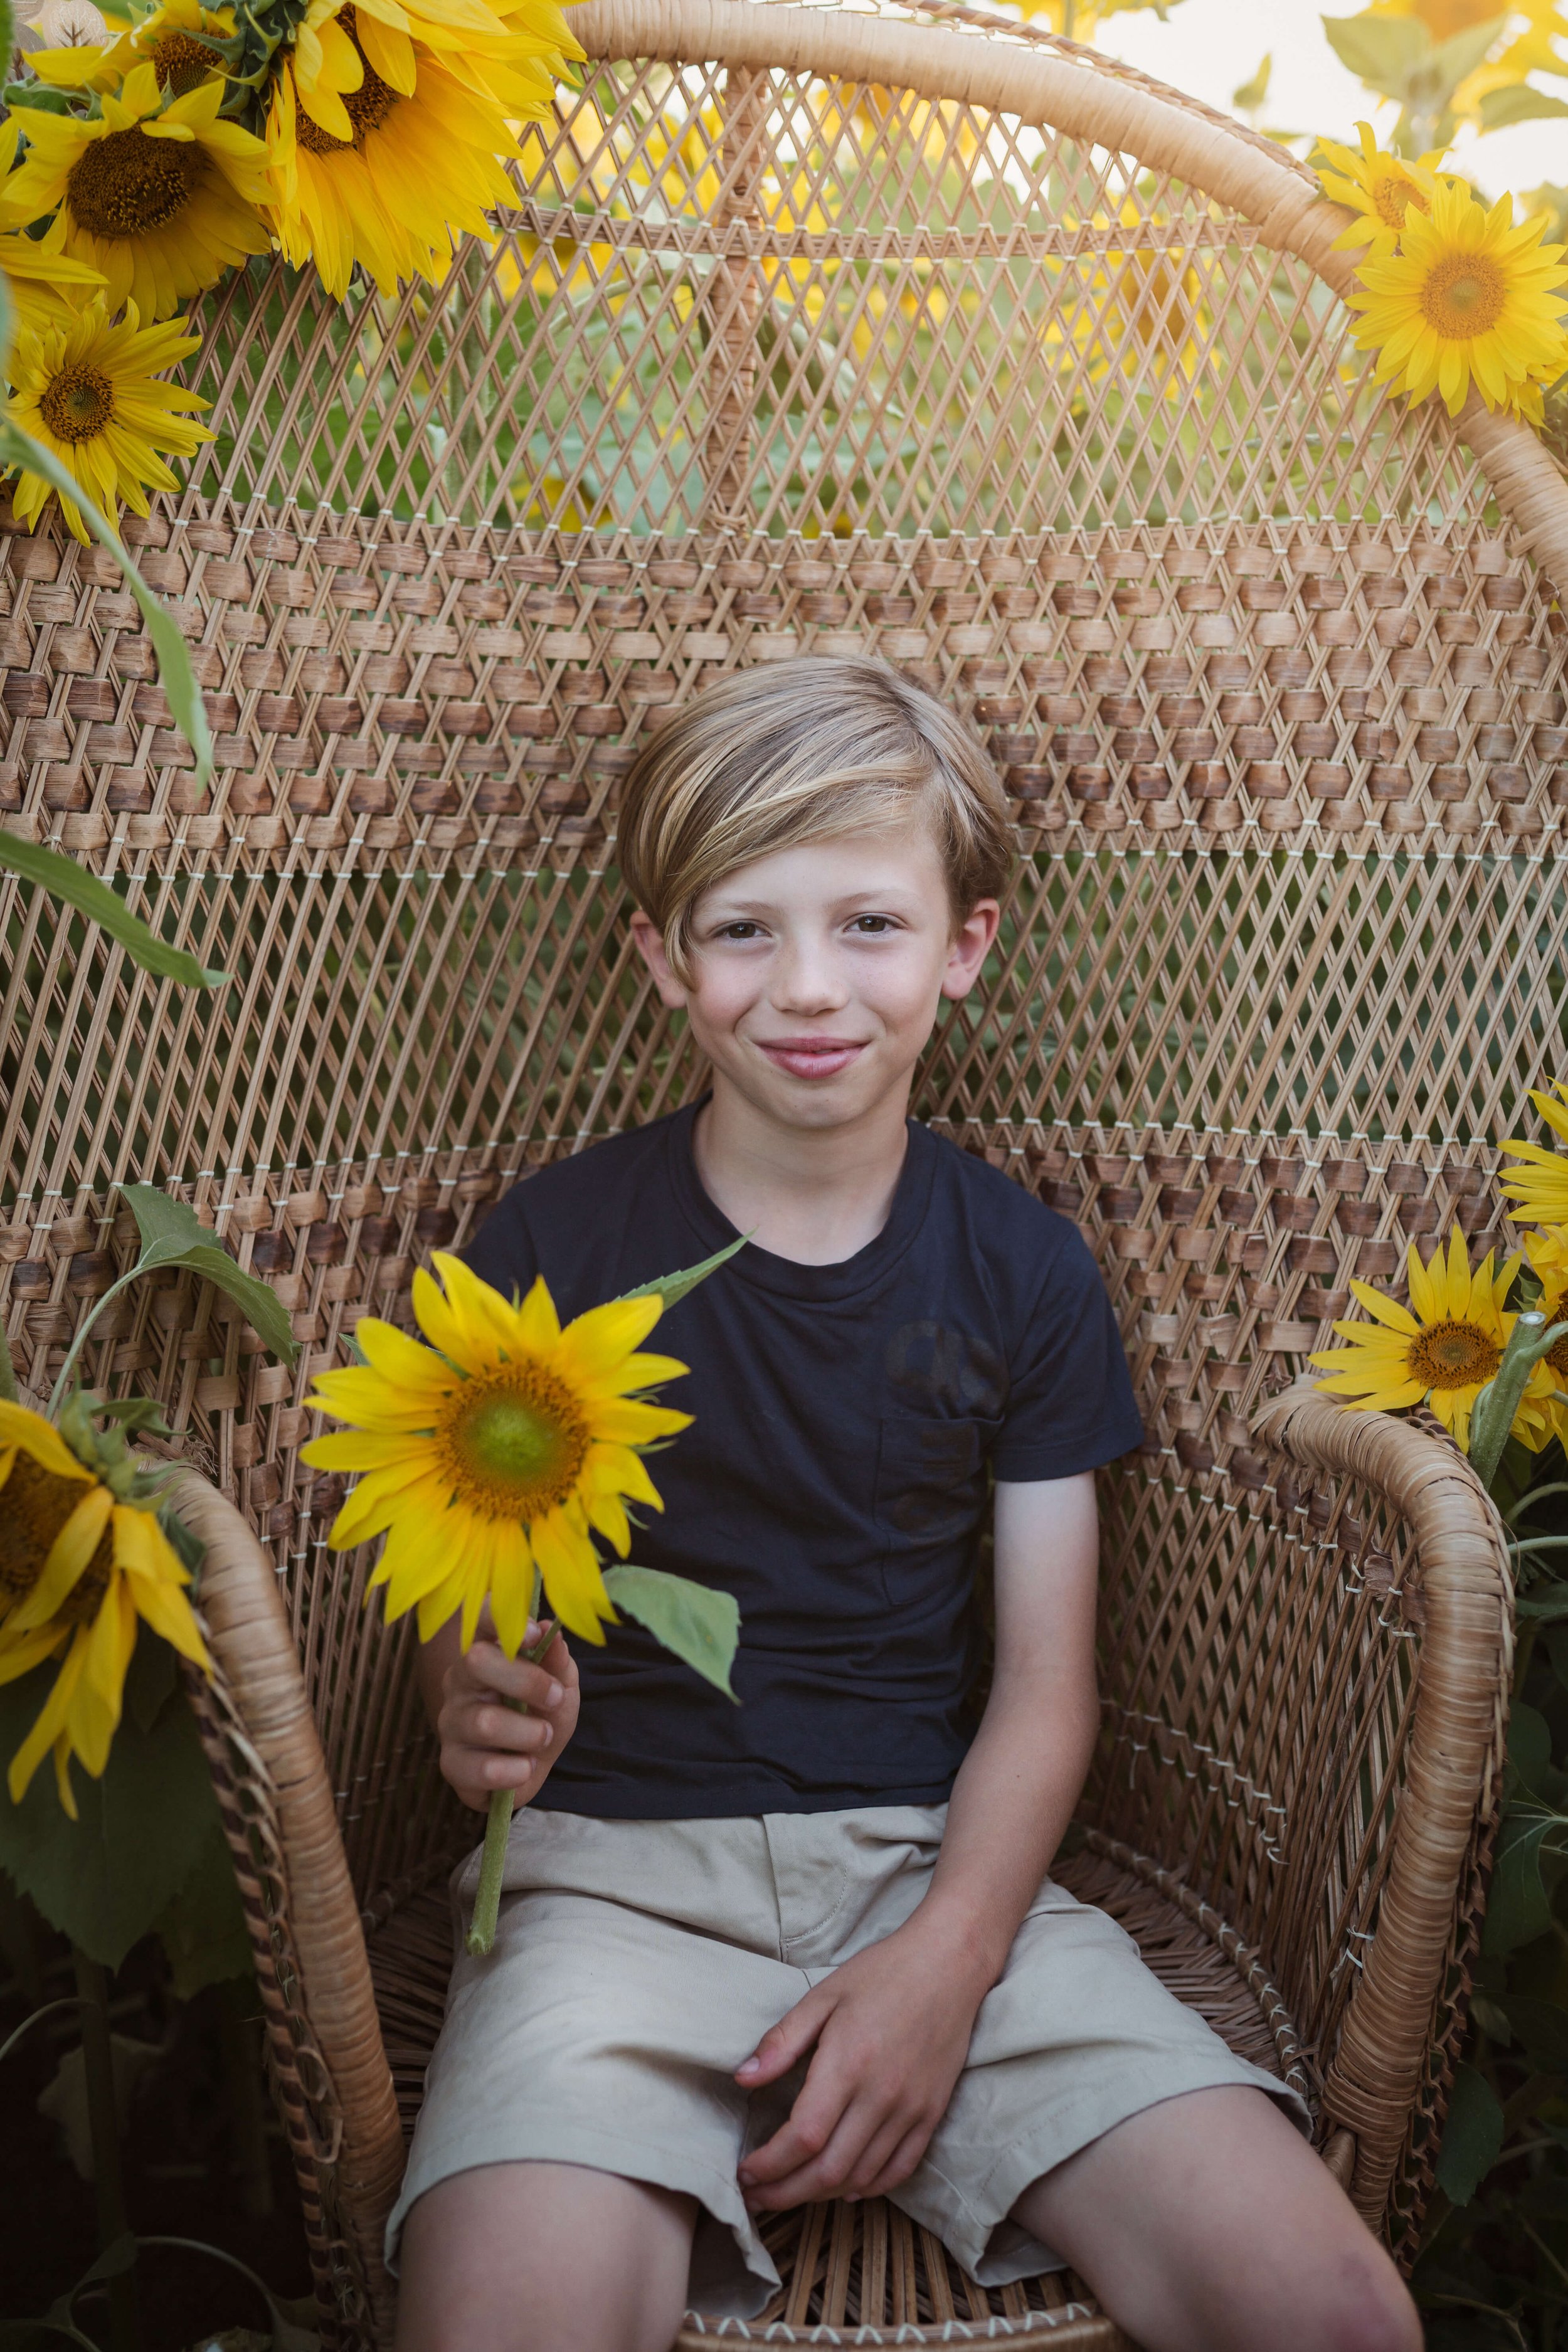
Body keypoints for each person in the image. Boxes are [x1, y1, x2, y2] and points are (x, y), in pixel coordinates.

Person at [390, 657, 1421, 2352]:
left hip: (936, 1872)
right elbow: (457, 1586)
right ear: (658, 958)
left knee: (1326, 2311)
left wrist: (948, 1963)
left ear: (964, 946)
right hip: (606, 1894)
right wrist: (468, 1697)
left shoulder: (1019, 1271)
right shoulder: (551, 1253)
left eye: (868, 925)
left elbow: (1045, 1689)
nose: (808, 987)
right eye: (743, 930)